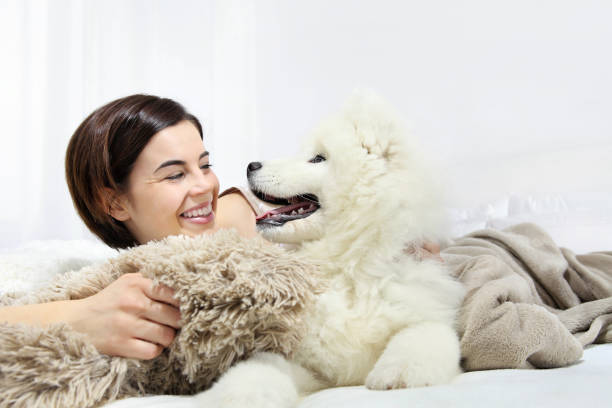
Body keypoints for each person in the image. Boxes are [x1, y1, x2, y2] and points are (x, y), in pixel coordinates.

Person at [0, 94, 441, 360]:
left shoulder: (237, 219)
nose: (203, 187)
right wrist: (78, 317)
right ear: (113, 201)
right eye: (175, 174)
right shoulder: (118, 282)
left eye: (205, 165)